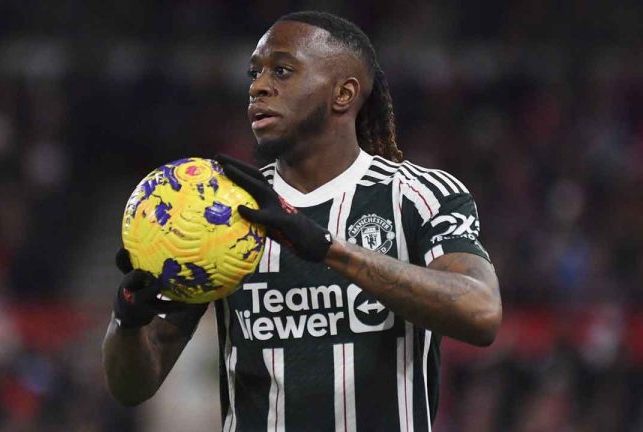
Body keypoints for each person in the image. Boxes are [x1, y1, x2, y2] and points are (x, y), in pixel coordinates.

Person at [102, 10, 501, 431]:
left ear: (343, 93)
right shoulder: (223, 210)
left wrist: (327, 249)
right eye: (254, 72)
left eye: (283, 71)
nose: (258, 86)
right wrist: (127, 320)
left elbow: (481, 312)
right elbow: (132, 386)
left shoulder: (416, 196)